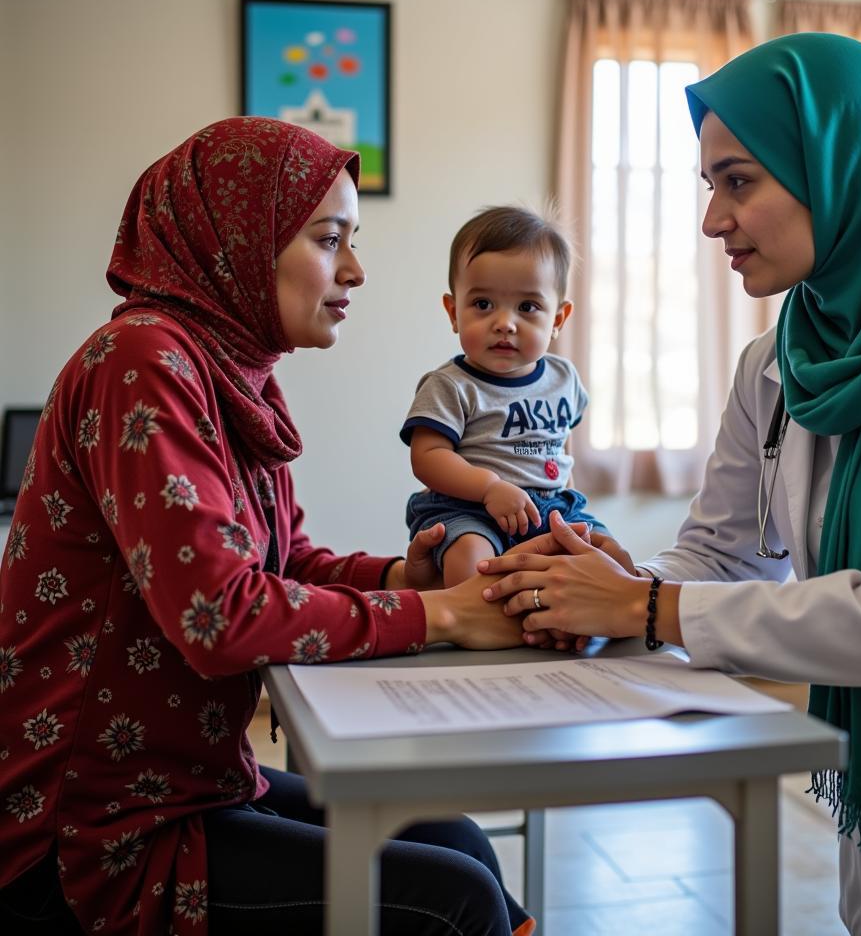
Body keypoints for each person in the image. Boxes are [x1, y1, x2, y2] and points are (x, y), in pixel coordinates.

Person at [476, 33, 861, 936]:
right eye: (710, 188)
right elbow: (723, 553)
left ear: (844, 167)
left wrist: (645, 609)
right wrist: (606, 582)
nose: (713, 221)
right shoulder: (778, 360)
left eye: (740, 182)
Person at [0, 117, 538, 936]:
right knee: (452, 903)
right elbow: (220, 614)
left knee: (456, 841)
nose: (355, 270)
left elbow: (285, 561)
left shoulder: (229, 372)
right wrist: (443, 614)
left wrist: (404, 579)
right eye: (330, 239)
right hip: (93, 826)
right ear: (238, 240)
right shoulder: (143, 360)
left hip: (189, 781)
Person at [402, 205, 606, 588]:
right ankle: (473, 621)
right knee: (470, 558)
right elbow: (427, 458)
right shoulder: (450, 385)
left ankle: (586, 620)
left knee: (607, 553)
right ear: (453, 312)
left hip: (552, 506)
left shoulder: (564, 379)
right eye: (483, 305)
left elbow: (561, 446)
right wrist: (489, 488)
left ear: (558, 320)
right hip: (470, 509)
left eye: (528, 307)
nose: (505, 323)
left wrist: (568, 498)